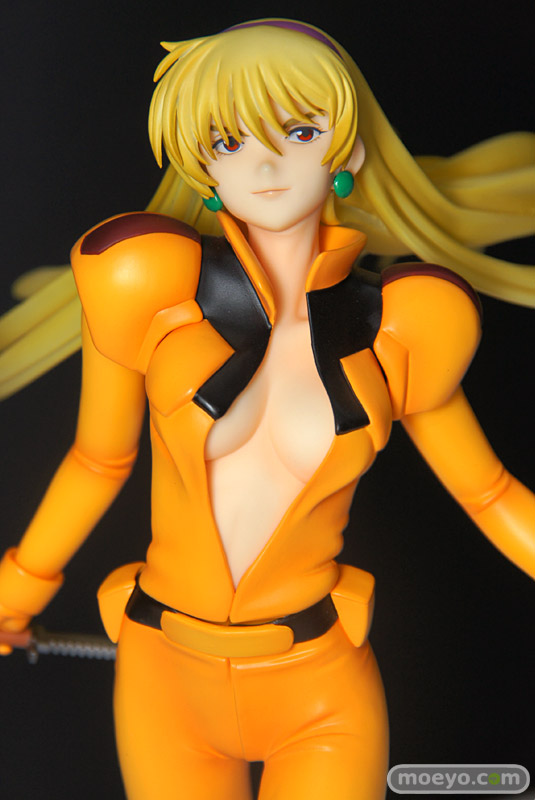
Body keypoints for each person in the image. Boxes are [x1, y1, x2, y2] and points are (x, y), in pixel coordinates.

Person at [0, 19, 533, 800]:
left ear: (347, 152)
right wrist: (13, 592)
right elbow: (98, 458)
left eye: (300, 130)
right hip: (164, 675)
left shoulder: (401, 327)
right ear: (201, 164)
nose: (265, 163)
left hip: (318, 684)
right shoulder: (148, 292)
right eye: (227, 140)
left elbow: (486, 492)